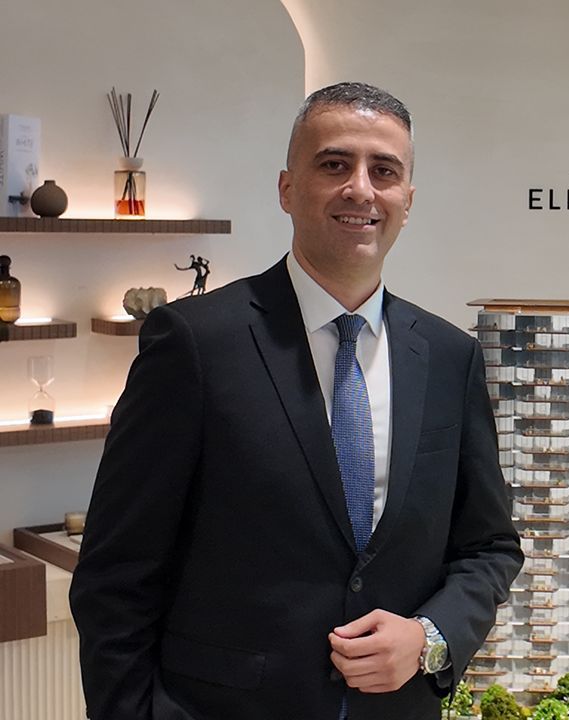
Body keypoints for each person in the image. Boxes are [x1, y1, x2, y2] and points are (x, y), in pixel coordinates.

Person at [70, 82, 524, 720]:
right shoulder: (195, 344)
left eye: (384, 171)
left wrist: (432, 637)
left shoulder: (451, 357)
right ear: (287, 188)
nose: (361, 189)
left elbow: (490, 546)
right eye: (334, 164)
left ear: (407, 199)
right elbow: (116, 574)